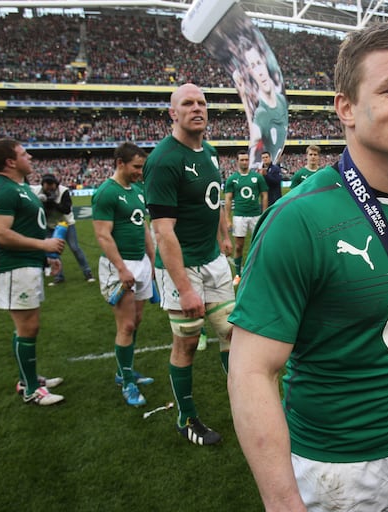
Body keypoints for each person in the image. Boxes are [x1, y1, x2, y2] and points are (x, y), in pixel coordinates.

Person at [227, 22, 388, 511]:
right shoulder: (297, 218)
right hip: (330, 470)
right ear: (345, 107)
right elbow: (251, 370)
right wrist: (282, 501)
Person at [143, 83, 235, 446]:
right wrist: (184, 288)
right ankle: (186, 418)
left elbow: (213, 203)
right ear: (173, 113)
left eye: (201, 102)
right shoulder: (164, 160)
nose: (197, 108)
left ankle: (245, 401)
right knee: (186, 342)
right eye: (187, 103)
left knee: (232, 333)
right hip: (183, 268)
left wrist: (224, 234)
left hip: (213, 261)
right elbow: (164, 232)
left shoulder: (209, 152)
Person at [0, 138, 65, 405]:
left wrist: (44, 256)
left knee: (27, 327)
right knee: (27, 327)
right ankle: (30, 389)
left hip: (27, 265)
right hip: (11, 267)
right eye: (23, 153)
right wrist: (44, 244)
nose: (29, 156)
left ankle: (27, 378)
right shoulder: (2, 189)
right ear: (10, 162)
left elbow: (27, 227)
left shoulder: (20, 187)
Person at [92, 142, 156, 407]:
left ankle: (125, 370)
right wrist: (121, 268)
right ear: (120, 163)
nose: (140, 172)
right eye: (136, 167)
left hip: (141, 262)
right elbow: (102, 234)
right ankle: (127, 382)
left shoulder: (138, 190)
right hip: (120, 265)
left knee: (137, 320)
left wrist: (153, 264)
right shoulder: (106, 192)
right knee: (126, 325)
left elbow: (144, 228)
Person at [233, 37, 289, 167]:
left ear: (264, 62)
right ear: (250, 73)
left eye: (258, 63)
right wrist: (244, 98)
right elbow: (254, 139)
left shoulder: (281, 100)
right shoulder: (261, 114)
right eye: (253, 67)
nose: (260, 72)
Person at [33, 173, 94, 285]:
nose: (50, 189)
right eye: (47, 186)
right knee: (52, 251)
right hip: (49, 224)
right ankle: (58, 276)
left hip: (66, 223)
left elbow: (66, 209)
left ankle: (87, 272)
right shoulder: (37, 192)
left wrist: (52, 203)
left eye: (52, 186)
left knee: (75, 248)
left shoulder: (63, 191)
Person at [224, 151, 268, 276]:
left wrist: (264, 213)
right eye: (242, 160)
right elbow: (228, 199)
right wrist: (227, 218)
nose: (244, 162)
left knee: (259, 244)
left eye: (246, 160)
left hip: (256, 216)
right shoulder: (232, 179)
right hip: (239, 216)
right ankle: (238, 274)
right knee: (238, 246)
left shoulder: (257, 177)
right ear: (237, 161)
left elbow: (264, 195)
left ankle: (259, 271)